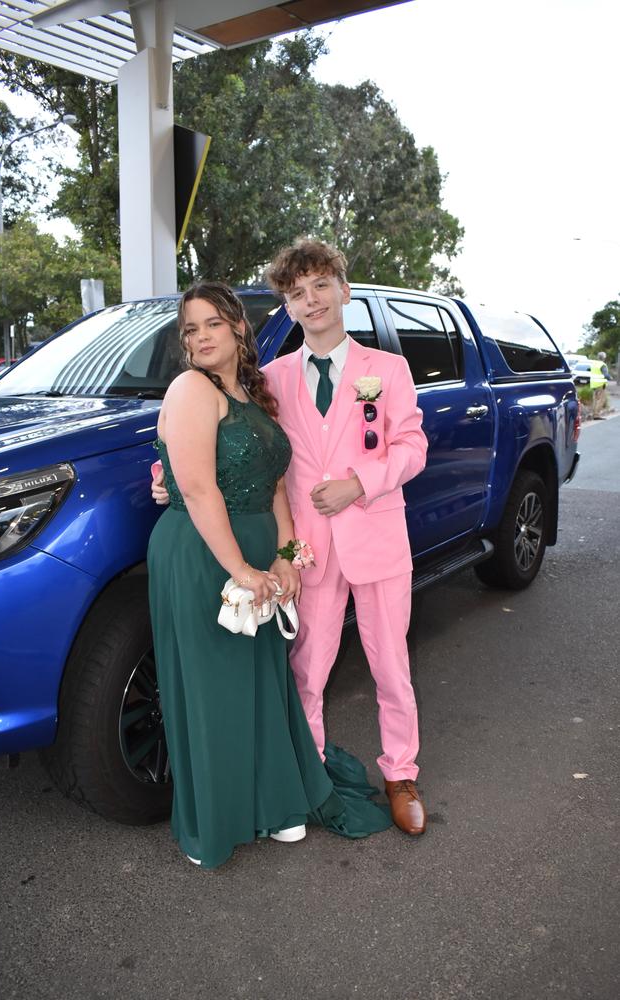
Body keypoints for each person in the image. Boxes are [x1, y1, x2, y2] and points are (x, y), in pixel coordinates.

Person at [148, 281, 389, 870]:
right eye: (190, 329)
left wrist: (288, 555)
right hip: (204, 555)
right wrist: (241, 568)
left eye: (211, 324)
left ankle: (276, 801)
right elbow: (199, 488)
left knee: (261, 681)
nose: (200, 337)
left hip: (260, 555)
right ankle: (219, 818)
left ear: (236, 328)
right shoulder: (189, 390)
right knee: (214, 689)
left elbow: (279, 484)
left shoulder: (253, 392)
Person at [262, 239, 429, 836]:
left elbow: (412, 447)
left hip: (377, 538)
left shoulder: (387, 370)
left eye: (320, 287)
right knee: (307, 667)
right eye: (296, 293)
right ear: (287, 307)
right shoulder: (272, 378)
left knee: (391, 665)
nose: (311, 301)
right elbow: (229, 434)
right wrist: (165, 475)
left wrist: (360, 483)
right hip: (306, 547)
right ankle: (310, 770)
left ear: (343, 290)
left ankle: (400, 773)